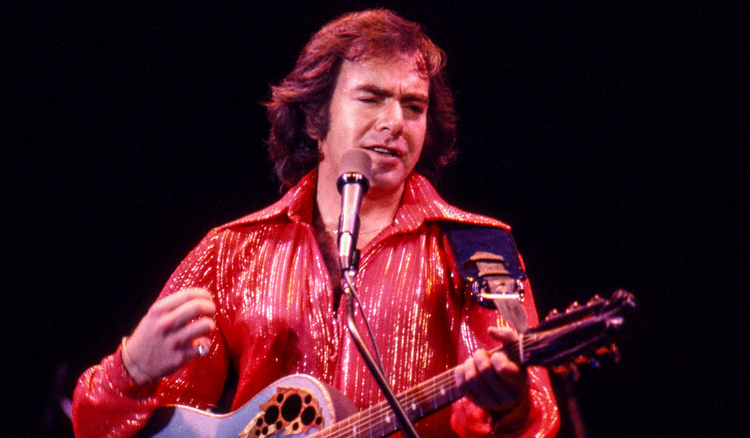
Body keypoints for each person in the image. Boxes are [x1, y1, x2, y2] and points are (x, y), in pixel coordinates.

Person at [72, 8, 560, 438]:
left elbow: (535, 419)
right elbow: (107, 428)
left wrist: (509, 407)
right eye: (371, 97)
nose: (395, 121)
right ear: (314, 119)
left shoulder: (480, 249)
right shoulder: (230, 252)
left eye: (414, 106)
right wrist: (131, 368)